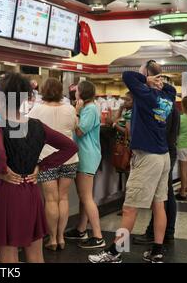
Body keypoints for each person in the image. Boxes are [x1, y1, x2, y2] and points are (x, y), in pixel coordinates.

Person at [0, 73, 78, 263]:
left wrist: (2, 171)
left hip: (7, 193)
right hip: (31, 191)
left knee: (8, 256)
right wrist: (41, 166)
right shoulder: (37, 126)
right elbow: (70, 147)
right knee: (35, 254)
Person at [89, 60, 176, 263]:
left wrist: (146, 80)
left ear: (147, 75)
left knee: (129, 207)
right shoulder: (167, 96)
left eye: (142, 73)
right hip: (162, 157)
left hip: (147, 158)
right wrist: (156, 80)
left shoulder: (145, 95)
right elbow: (169, 86)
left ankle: (114, 253)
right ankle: (157, 251)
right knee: (158, 204)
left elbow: (128, 76)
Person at [28, 78, 79, 251]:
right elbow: (74, 127)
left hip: (47, 159)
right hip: (69, 159)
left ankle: (52, 240)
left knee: (50, 199)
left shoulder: (36, 109)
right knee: (63, 198)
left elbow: (27, 130)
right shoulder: (70, 108)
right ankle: (61, 237)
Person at [65, 81, 105, 249]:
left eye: (77, 91)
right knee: (84, 196)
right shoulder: (91, 108)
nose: (75, 93)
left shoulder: (88, 109)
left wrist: (76, 112)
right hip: (87, 154)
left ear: (82, 94)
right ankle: (81, 229)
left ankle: (98, 236)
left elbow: (80, 131)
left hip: (86, 155)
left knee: (87, 197)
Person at [133, 104, 180, 244]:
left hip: (158, 152)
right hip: (168, 150)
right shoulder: (171, 107)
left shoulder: (160, 107)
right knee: (167, 193)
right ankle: (168, 231)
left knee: (159, 198)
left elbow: (159, 130)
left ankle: (154, 233)